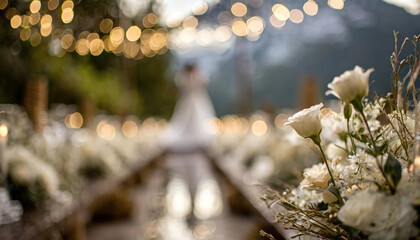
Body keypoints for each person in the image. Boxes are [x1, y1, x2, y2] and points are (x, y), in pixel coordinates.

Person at [160, 63, 215, 152]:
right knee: (184, 119)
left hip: (197, 102)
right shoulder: (182, 77)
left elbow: (203, 85)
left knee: (198, 119)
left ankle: (199, 139)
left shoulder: (200, 75)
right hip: (187, 102)